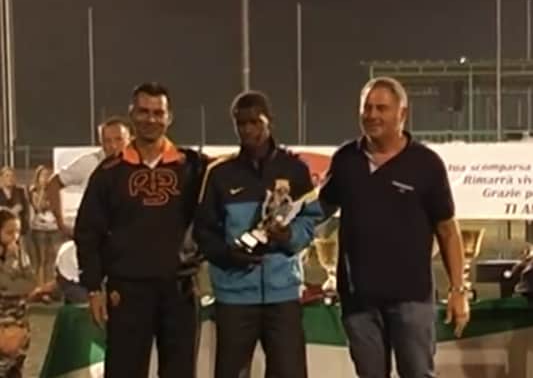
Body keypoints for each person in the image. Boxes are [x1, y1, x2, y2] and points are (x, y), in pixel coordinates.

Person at [319, 76, 470, 378]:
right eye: (367, 108)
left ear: (402, 113)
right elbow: (319, 211)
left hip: (411, 300)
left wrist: (458, 290)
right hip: (359, 302)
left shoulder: (426, 164)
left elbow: (447, 230)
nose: (372, 115)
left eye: (381, 108)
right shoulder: (346, 160)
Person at [74, 82, 206, 378]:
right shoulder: (109, 173)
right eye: (144, 111)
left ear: (169, 117)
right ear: (132, 114)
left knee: (180, 372)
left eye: (158, 113)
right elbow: (88, 232)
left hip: (179, 289)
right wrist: (93, 287)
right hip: (127, 290)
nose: (151, 119)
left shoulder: (192, 167)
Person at [193, 90, 322, 378]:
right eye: (241, 123)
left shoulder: (295, 169)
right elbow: (204, 231)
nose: (248, 129)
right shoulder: (219, 174)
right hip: (235, 298)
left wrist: (288, 236)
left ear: (270, 121)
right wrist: (228, 256)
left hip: (283, 295)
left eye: (255, 122)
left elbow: (311, 220)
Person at [46, 116, 131, 238]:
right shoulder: (90, 163)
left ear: (130, 139)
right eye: (107, 141)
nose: (113, 145)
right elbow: (54, 183)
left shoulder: (140, 166)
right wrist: (61, 223)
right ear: (101, 143)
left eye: (119, 139)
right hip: (98, 238)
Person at [0, 209, 36, 378]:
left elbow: (30, 283)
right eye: (9, 232)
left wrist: (14, 286)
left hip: (20, 320)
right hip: (3, 323)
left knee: (16, 369)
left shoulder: (21, 252)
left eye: (17, 232)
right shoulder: (12, 256)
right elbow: (3, 284)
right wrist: (10, 262)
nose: (14, 237)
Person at [28, 165, 62, 298]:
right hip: (39, 228)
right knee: (42, 260)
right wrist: (43, 190)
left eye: (48, 175)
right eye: (43, 175)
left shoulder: (55, 190)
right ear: (38, 177)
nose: (46, 178)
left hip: (54, 228)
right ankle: (40, 289)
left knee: (53, 259)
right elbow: (39, 207)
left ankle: (51, 288)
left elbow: (56, 206)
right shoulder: (34, 191)